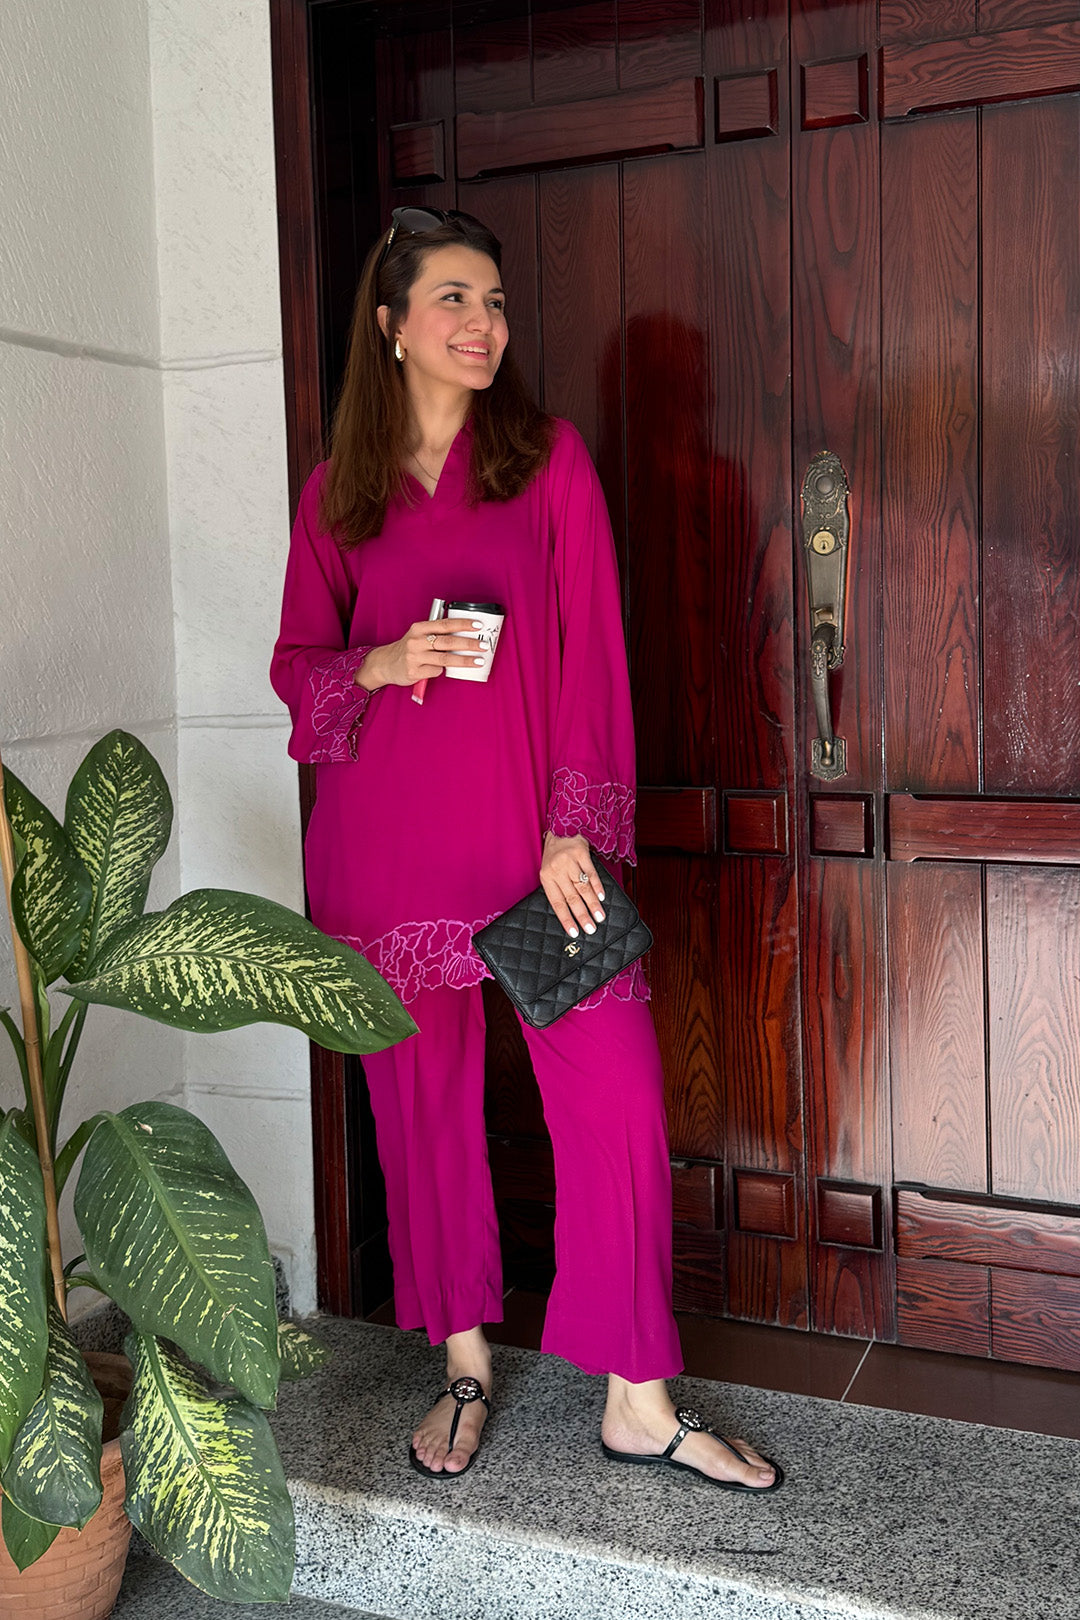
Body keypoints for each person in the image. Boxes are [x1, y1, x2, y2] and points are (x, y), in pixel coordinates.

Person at [270, 206, 782, 1493]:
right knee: (422, 1114)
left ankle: (638, 1396)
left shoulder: (545, 461)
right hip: (388, 846)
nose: (482, 324)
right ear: (391, 327)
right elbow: (298, 674)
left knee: (615, 1099)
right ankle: (462, 1361)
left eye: (494, 301)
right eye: (453, 299)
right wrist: (381, 659)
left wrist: (574, 827)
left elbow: (593, 647)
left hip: (538, 849)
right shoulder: (338, 492)